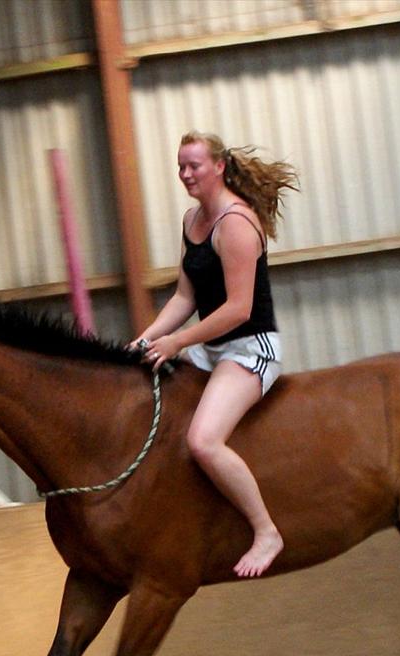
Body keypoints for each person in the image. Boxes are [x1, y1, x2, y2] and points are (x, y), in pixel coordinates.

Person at [130, 131, 299, 579]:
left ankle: (266, 532)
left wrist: (178, 343)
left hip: (250, 348)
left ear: (219, 167)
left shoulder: (237, 225)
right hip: (211, 348)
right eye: (180, 166)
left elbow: (238, 309)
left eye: (195, 166)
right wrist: (146, 340)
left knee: (202, 440)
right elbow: (185, 296)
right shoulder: (192, 221)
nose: (185, 175)